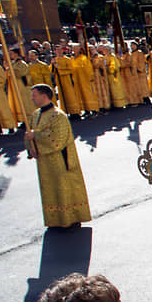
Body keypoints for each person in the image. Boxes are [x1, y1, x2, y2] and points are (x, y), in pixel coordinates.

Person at [25, 84, 91, 229]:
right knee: (50, 188)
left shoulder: (58, 115)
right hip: (44, 160)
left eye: (34, 95)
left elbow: (57, 140)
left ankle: (71, 219)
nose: (31, 98)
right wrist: (30, 148)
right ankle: (55, 220)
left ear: (44, 96)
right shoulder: (35, 115)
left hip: (60, 160)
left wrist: (35, 136)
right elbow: (29, 135)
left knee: (64, 188)